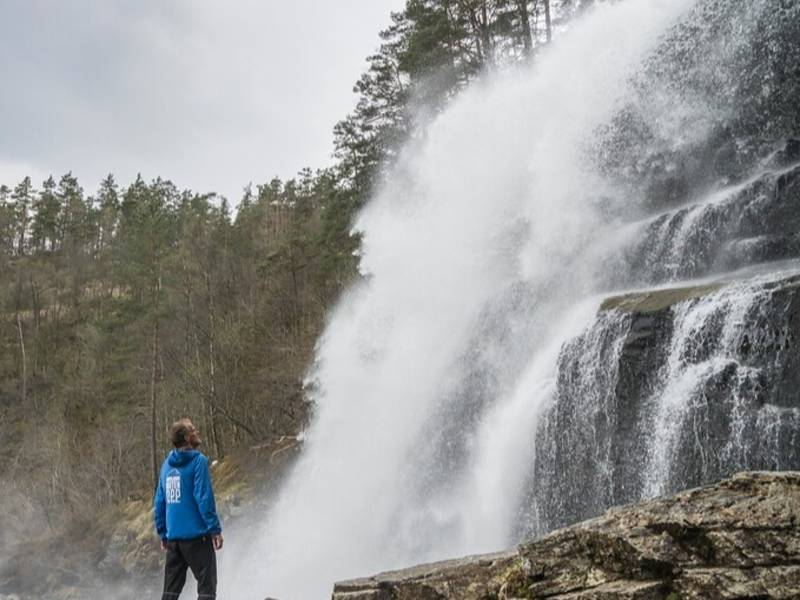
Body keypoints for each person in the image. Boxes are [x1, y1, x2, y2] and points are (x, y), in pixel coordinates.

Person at [154, 418, 223, 599]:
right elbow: (203, 497)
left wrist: (163, 533)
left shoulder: (166, 465)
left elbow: (160, 501)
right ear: (186, 437)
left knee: (170, 592)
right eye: (193, 430)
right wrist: (215, 529)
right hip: (197, 537)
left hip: (174, 539)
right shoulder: (198, 461)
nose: (197, 431)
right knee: (206, 588)